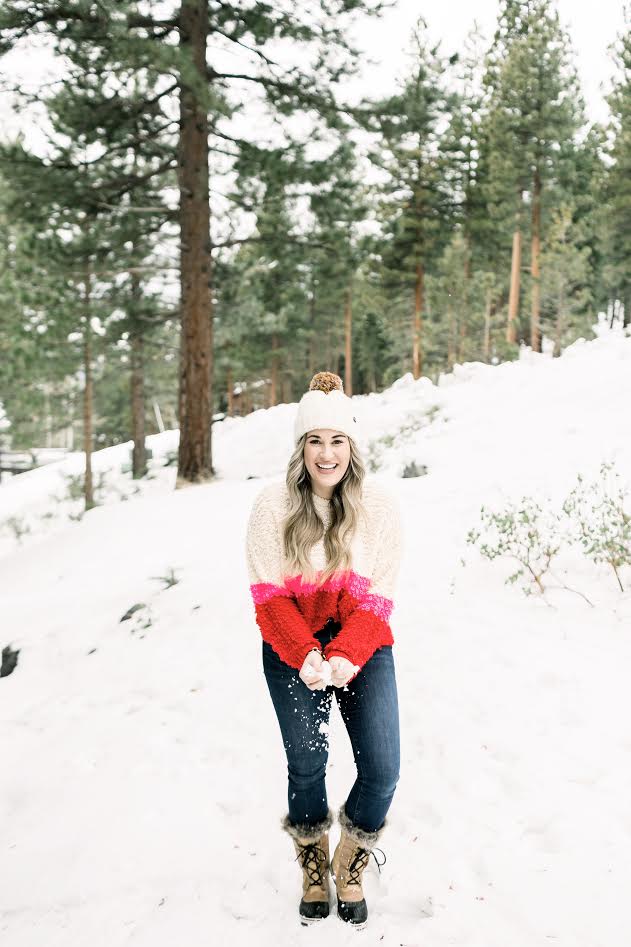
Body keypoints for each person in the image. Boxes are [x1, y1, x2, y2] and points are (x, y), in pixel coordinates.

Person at [245, 371, 402, 929]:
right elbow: (268, 598)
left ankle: (350, 857)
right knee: (308, 764)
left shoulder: (380, 509)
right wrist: (308, 654)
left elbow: (378, 598)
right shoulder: (273, 507)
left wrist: (346, 655)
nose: (327, 453)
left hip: (362, 644)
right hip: (292, 647)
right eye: (315, 440)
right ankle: (312, 861)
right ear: (301, 447)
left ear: (352, 447)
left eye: (337, 440)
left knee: (383, 768)